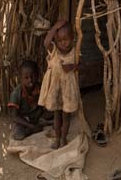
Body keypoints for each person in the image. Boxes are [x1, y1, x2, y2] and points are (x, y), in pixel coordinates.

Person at [38, 19, 80, 149]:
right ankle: (57, 138)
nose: (63, 43)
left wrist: (72, 66)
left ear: (72, 38)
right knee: (57, 116)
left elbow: (80, 65)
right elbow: (46, 43)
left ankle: (63, 138)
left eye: (66, 39)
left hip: (68, 90)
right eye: (59, 40)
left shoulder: (75, 51)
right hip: (55, 89)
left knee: (66, 117)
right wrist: (54, 27)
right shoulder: (54, 50)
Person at [8, 60, 47, 140]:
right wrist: (31, 126)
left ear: (37, 75)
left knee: (57, 115)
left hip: (38, 116)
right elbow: (14, 116)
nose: (30, 80)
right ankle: (33, 129)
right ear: (20, 78)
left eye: (33, 76)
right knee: (18, 135)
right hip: (24, 120)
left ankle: (39, 124)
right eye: (26, 78)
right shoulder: (16, 93)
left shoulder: (41, 88)